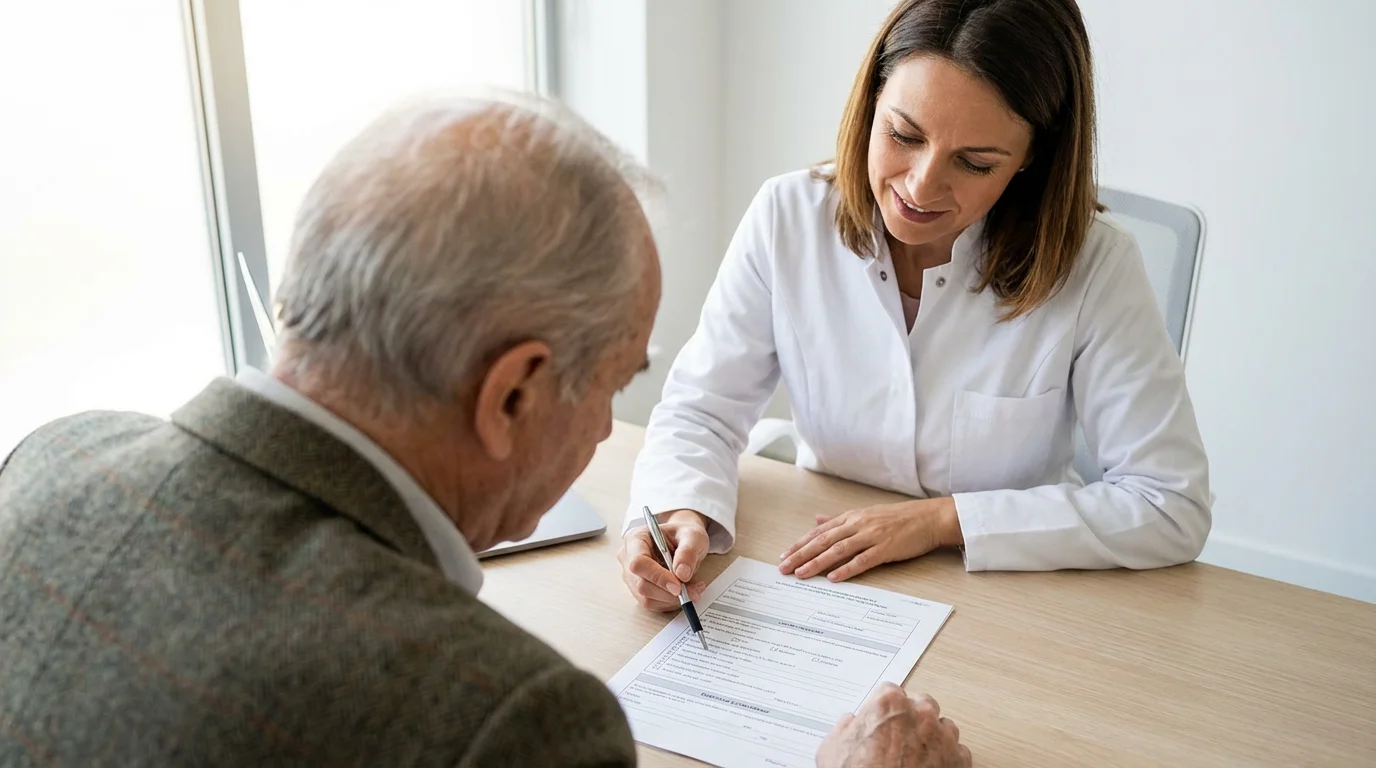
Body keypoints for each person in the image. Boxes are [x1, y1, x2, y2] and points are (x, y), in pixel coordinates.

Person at [0, 94, 970, 766]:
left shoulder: (50, 457)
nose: (604, 430)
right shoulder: (511, 721)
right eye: (611, 386)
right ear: (511, 394)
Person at [619, 0, 1212, 612]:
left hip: (1012, 600)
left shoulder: (1096, 267)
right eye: (903, 135)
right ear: (871, 102)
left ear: (1033, 157)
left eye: (976, 163)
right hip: (822, 578)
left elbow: (1171, 504)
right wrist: (676, 510)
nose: (922, 187)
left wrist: (943, 521)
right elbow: (701, 411)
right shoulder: (787, 217)